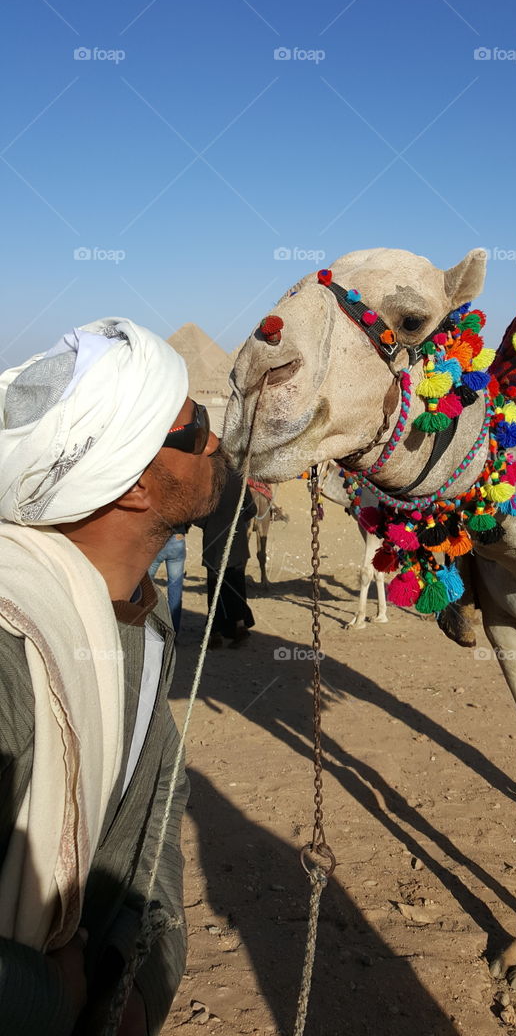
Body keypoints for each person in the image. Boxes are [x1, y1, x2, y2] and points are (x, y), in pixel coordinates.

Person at [0, 318, 227, 1035]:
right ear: (132, 485)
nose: (216, 442)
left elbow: (152, 826)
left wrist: (136, 987)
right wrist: (40, 998)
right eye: (196, 431)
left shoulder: (133, 628)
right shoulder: (13, 651)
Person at [196, 470, 256, 648]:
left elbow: (197, 515)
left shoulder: (207, 479)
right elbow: (252, 509)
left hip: (214, 543)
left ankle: (215, 634)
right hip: (236, 542)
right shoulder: (240, 479)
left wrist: (209, 526)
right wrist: (236, 522)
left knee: (216, 589)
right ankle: (239, 627)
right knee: (236, 587)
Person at [149, 525, 187, 633]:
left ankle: (147, 627)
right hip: (177, 537)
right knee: (175, 588)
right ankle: (173, 631)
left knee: (145, 585)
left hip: (157, 537)